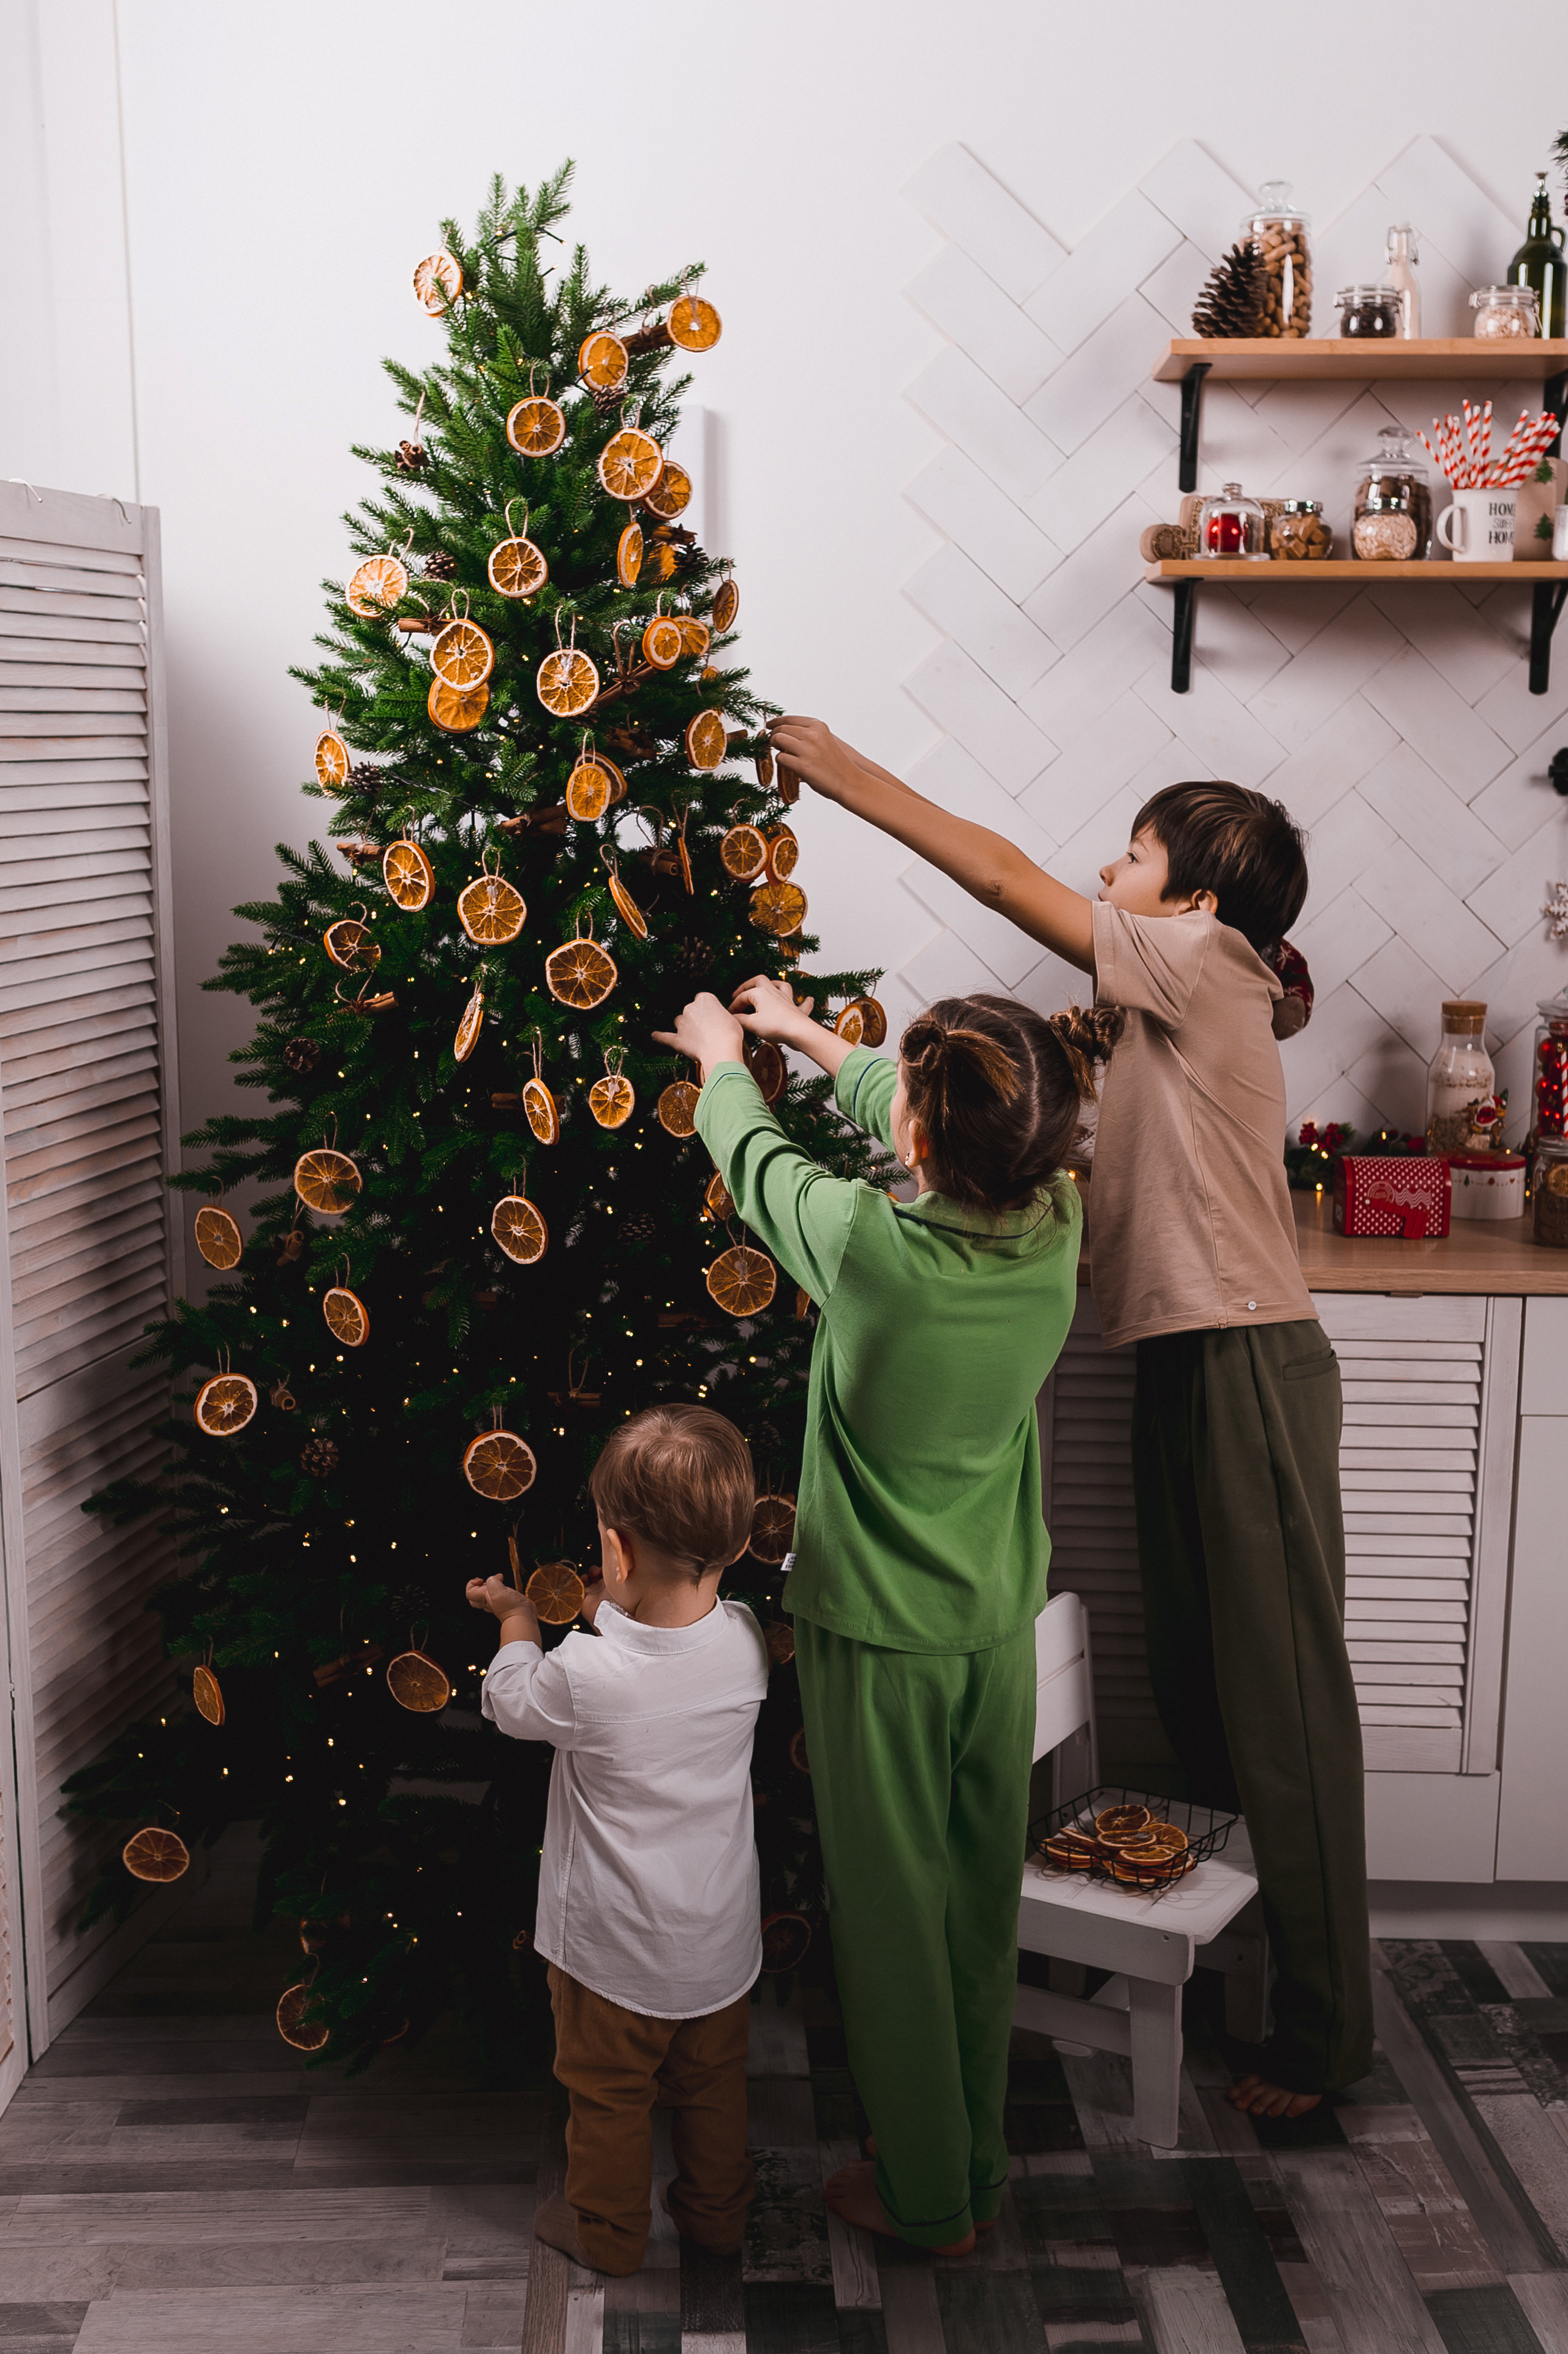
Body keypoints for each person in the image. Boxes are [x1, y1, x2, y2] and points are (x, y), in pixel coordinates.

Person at [766, 716, 1373, 2122]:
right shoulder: (1169, 1000)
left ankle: (1325, 2036)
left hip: (1243, 1362)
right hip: (1182, 1359)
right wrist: (819, 1041)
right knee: (1202, 1688)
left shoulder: (1206, 964)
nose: (1108, 871)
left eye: (1135, 854)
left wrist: (839, 769)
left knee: (1281, 1709)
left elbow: (990, 871)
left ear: (1200, 901)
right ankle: (1233, 1982)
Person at [653, 978, 1118, 2252]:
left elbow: (750, 1154)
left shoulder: (867, 1244)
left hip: (876, 1637)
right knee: (975, 1901)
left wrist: (718, 1052)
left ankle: (923, 2191)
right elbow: (928, 1117)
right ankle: (963, 2153)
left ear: (917, 1136)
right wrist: (812, 1035)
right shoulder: (1056, 1225)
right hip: (992, 1626)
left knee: (892, 1920)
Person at [468, 1403, 767, 2276]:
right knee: (714, 2089)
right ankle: (717, 2218)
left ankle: (606, 2231)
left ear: (619, 1551)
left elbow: (512, 1702)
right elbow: (670, 1644)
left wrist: (518, 1619)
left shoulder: (585, 1674)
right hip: (716, 1945)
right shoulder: (746, 1641)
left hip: (611, 1956)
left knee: (608, 2096)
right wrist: (614, 1607)